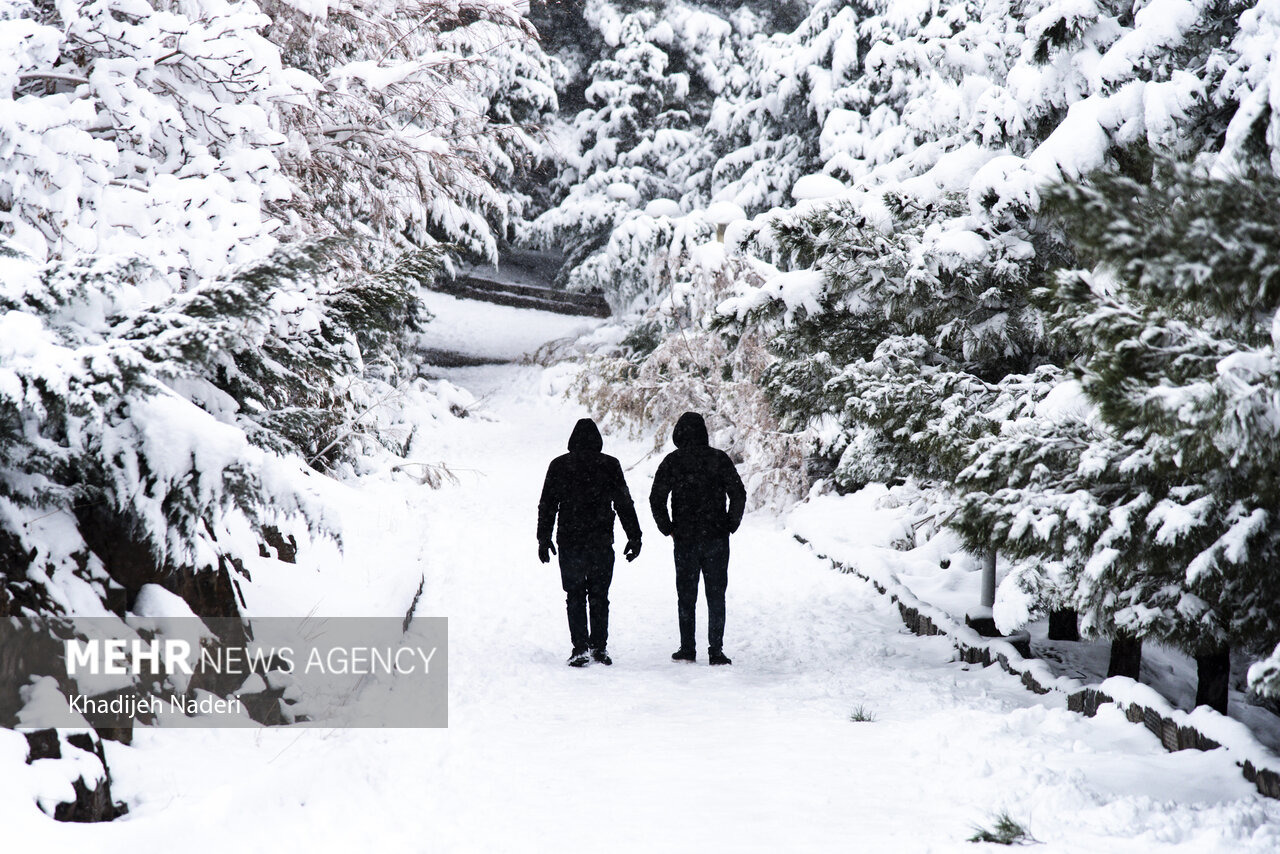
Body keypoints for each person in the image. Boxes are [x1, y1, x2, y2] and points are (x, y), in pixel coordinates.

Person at [537, 418, 642, 667]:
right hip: (601, 540)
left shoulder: (560, 465)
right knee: (599, 595)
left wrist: (544, 538)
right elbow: (624, 502)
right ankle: (599, 647)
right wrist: (634, 536)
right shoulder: (609, 465)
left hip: (570, 541)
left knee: (574, 595)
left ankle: (580, 648)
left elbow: (547, 505)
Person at [648, 412, 746, 665]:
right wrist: (730, 524)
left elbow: (656, 498)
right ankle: (716, 650)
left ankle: (687, 648)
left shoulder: (673, 461)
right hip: (716, 538)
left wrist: (667, 528)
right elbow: (738, 493)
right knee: (716, 596)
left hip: (685, 539)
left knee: (686, 595)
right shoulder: (719, 459)